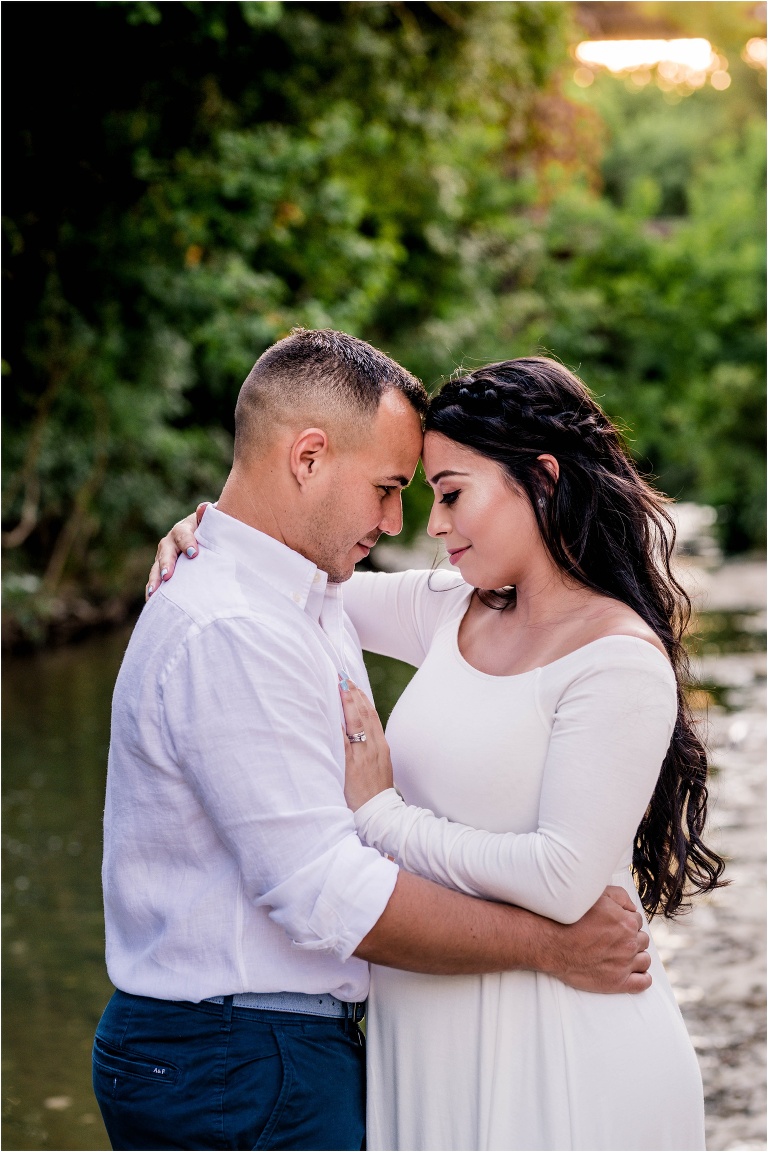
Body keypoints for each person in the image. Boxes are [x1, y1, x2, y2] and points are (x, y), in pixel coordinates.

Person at [156, 353, 724, 1151]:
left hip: (555, 1040)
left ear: (544, 479)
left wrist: (380, 815)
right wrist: (209, 531)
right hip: (424, 1036)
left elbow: (562, 880)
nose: (431, 525)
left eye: (452, 494)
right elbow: (286, 583)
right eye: (420, 495)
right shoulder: (452, 610)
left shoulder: (617, 659)